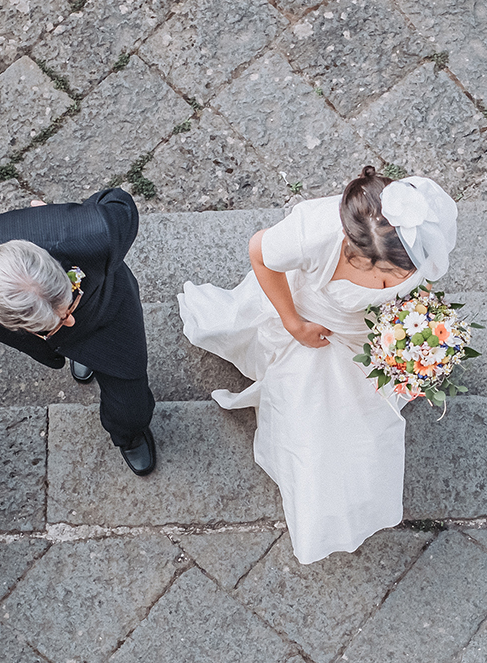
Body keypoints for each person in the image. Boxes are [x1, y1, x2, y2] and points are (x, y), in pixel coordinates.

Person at [178, 167, 458, 563]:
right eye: (382, 275)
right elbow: (260, 253)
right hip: (313, 327)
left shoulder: (415, 231)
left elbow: (422, 281)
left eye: (401, 273)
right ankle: (321, 505)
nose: (393, 283)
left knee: (365, 418)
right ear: (350, 246)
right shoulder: (312, 233)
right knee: (311, 425)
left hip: (368, 336)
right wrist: (294, 324)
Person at [0, 187, 157, 475]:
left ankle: (128, 432)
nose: (69, 322)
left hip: (108, 313)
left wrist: (69, 214)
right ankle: (70, 348)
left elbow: (117, 199)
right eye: (52, 325)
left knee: (131, 398)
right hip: (43, 337)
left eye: (68, 307)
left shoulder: (99, 231)